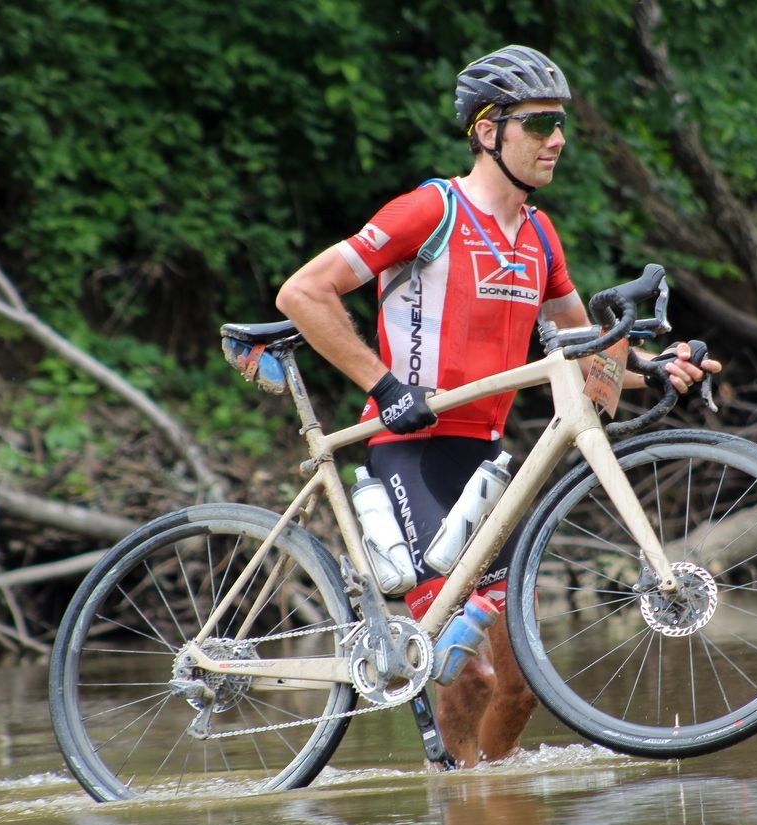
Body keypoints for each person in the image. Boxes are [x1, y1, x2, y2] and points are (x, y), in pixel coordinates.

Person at [276, 45, 721, 767]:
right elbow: (302, 293)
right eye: (540, 122)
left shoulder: (540, 237)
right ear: (488, 132)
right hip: (411, 454)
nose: (558, 139)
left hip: (486, 467)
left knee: (520, 687)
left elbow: (584, 354)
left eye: (560, 124)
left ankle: (477, 802)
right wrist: (387, 388)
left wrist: (657, 367)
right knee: (468, 672)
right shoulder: (432, 210)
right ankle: (454, 798)